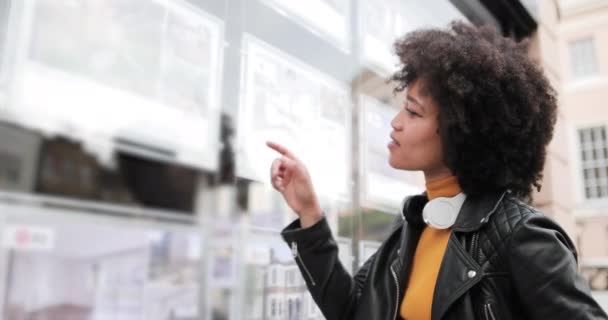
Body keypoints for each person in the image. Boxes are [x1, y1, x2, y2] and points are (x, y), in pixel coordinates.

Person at [267, 22, 608, 320]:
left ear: (463, 129)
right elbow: (352, 310)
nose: (396, 123)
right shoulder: (413, 224)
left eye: (413, 113)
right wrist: (309, 214)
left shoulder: (523, 236)